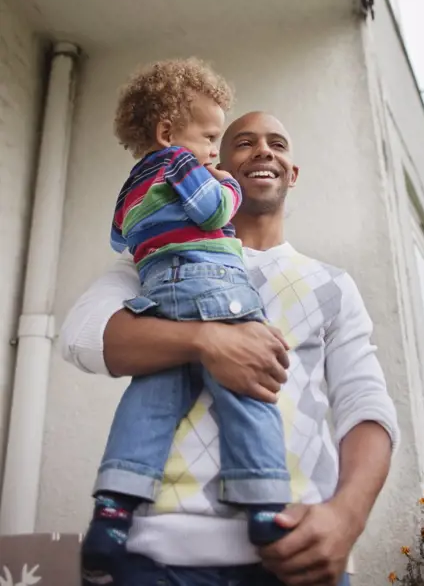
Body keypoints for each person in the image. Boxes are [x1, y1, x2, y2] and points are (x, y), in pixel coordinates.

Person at [61, 110, 400, 586]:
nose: (264, 150)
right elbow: (80, 336)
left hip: (294, 551)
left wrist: (347, 516)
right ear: (214, 165)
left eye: (277, 144)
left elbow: (365, 406)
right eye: (244, 142)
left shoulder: (333, 285)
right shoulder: (159, 255)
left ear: (293, 173)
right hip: (152, 555)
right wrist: (206, 340)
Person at [82, 59, 292, 583]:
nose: (216, 151)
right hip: (212, 286)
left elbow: (119, 238)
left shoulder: (133, 182)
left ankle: (113, 510)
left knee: (149, 401)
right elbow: (213, 212)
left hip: (157, 294)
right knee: (247, 392)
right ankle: (264, 505)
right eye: (212, 136)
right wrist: (227, 187)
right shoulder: (180, 161)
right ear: (167, 133)